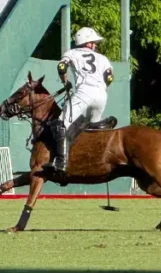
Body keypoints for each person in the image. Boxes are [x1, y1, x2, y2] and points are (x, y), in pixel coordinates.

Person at [43, 27, 115, 177]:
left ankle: (61, 162)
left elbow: (61, 67)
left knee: (62, 124)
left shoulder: (72, 53)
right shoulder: (102, 58)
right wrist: (101, 88)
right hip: (101, 96)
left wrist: (65, 81)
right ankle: (95, 161)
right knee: (92, 129)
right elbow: (109, 78)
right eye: (94, 42)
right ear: (88, 43)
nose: (95, 45)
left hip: (84, 93)